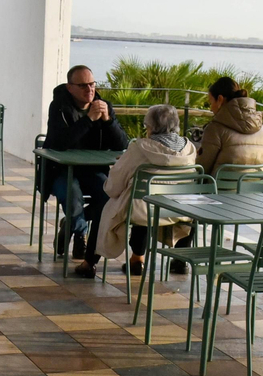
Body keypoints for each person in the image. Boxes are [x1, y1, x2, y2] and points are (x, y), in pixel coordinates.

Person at [79, 104, 196, 278]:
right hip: (176, 210)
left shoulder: (139, 148)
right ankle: (137, 259)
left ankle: (89, 263)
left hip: (144, 210)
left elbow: (113, 187)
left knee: (116, 205)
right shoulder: (189, 148)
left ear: (151, 126)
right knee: (145, 199)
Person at [44, 64, 128, 259]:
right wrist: (88, 120)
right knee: (73, 197)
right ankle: (81, 233)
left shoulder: (104, 105)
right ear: (70, 88)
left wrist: (108, 121)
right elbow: (59, 143)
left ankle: (71, 224)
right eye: (82, 85)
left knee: (110, 198)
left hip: (92, 170)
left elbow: (121, 144)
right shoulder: (59, 108)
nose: (89, 89)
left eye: (92, 84)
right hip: (60, 169)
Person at [197, 76, 263, 174]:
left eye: (211, 102)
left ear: (220, 99)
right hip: (258, 182)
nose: (211, 108)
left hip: (222, 184)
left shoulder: (214, 129)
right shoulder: (259, 126)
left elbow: (202, 170)